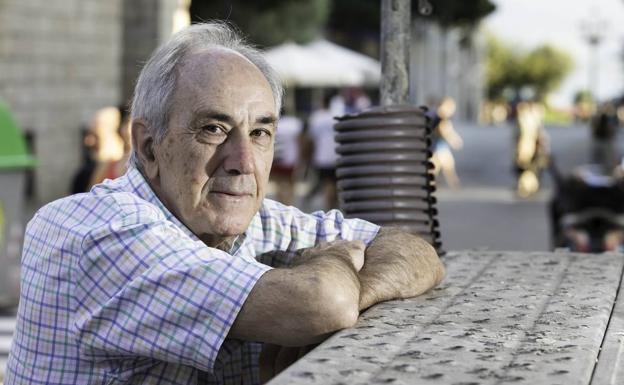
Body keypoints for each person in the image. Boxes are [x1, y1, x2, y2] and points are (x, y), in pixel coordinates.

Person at [6, 22, 444, 385]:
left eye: (260, 133)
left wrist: (351, 286)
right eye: (214, 129)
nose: (243, 163)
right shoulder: (99, 232)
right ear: (149, 146)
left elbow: (416, 251)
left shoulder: (249, 221)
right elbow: (323, 302)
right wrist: (335, 269)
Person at [269, 114, 303, 205]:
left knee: (278, 184)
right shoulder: (294, 123)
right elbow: (300, 141)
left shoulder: (274, 123)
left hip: (277, 157)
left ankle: (281, 203)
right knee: (291, 183)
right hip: (291, 159)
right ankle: (289, 203)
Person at [431, 97, 463, 189]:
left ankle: (454, 183)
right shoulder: (441, 117)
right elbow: (446, 131)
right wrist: (454, 141)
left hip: (437, 145)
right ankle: (454, 184)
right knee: (446, 166)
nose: (451, 111)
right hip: (438, 146)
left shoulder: (435, 115)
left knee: (442, 166)